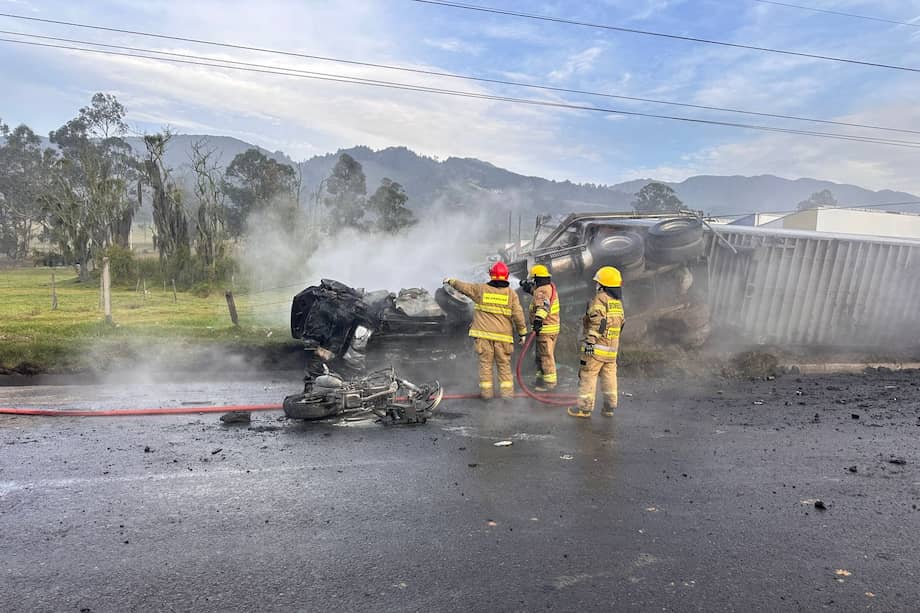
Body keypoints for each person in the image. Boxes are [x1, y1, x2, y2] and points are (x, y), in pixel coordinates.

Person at [444, 262, 528, 400]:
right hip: (503, 338)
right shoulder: (511, 294)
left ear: (491, 274)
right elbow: (518, 315)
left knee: (485, 366)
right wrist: (523, 333)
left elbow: (465, 287)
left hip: (483, 337)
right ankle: (507, 396)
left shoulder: (481, 290)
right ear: (506, 276)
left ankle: (486, 395)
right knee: (504, 366)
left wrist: (451, 281)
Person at [569, 266, 625, 418]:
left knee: (588, 374)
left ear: (603, 285)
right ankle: (609, 407)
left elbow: (598, 323)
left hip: (597, 348)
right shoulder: (617, 303)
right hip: (612, 349)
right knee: (609, 377)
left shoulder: (599, 299)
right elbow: (621, 324)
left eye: (598, 283)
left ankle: (584, 409)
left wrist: (589, 343)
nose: (596, 285)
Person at [525, 264, 561, 391]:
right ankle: (540, 382)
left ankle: (551, 386)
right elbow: (543, 299)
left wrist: (538, 320)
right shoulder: (548, 287)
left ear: (536, 279)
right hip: (552, 329)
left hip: (544, 330)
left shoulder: (541, 291)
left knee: (546, 357)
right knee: (541, 357)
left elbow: (543, 306)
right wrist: (530, 290)